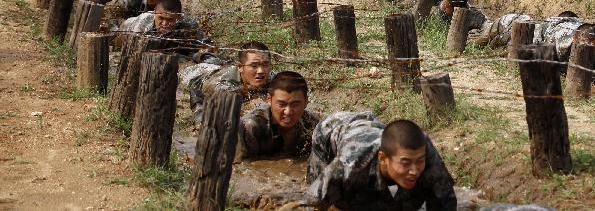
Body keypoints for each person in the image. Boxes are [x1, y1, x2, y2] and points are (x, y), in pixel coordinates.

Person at [305, 112, 456, 209]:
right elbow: (311, 203)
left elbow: (445, 200)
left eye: (419, 161)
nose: (415, 171)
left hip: (374, 132)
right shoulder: (350, 163)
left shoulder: (425, 150)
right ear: (383, 158)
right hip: (331, 131)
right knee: (340, 201)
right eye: (405, 163)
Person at [180, 41, 276, 126]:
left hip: (222, 68)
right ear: (240, 66)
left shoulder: (270, 75)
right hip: (197, 75)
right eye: (254, 65)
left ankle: (206, 56)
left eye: (265, 64)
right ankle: (197, 55)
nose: (261, 71)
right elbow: (230, 107)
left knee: (217, 62)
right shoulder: (222, 84)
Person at [238, 71, 320, 160]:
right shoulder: (251, 127)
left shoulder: (312, 124)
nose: (288, 112)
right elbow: (240, 167)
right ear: (269, 100)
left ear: (306, 102)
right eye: (281, 104)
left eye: (295, 104)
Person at [122, 0, 210, 57]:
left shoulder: (189, 24)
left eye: (170, 20)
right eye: (161, 18)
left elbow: (206, 47)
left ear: (179, 17)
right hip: (125, 28)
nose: (164, 24)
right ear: (155, 12)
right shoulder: (142, 25)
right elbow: (134, 54)